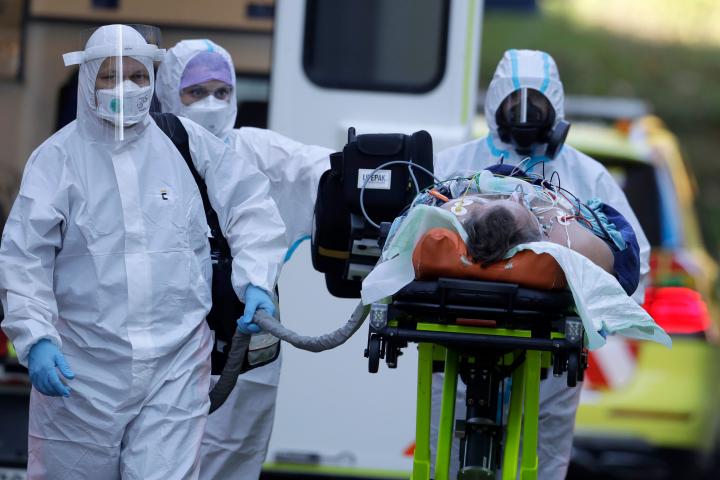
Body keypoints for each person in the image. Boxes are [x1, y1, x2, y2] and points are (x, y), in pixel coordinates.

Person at [0, 25, 287, 479]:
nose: (126, 88)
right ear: (88, 79)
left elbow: (249, 204)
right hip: (82, 371)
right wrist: (35, 337)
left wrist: (255, 279)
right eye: (111, 76)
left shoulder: (184, 142)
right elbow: (24, 257)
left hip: (176, 366)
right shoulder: (57, 159)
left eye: (137, 75)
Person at [432, 49, 651, 479]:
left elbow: (632, 257)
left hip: (549, 345)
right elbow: (414, 225)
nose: (526, 115)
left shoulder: (585, 176)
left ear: (556, 108)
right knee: (450, 452)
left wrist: (601, 314)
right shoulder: (456, 166)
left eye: (536, 104)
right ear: (496, 103)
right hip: (460, 334)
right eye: (515, 103)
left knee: (542, 454)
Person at [154, 39, 332, 479]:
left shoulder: (255, 151)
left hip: (246, 328)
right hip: (165, 333)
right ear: (170, 92)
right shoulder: (147, 154)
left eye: (222, 91)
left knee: (232, 455)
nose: (212, 104)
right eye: (196, 92)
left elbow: (322, 168)